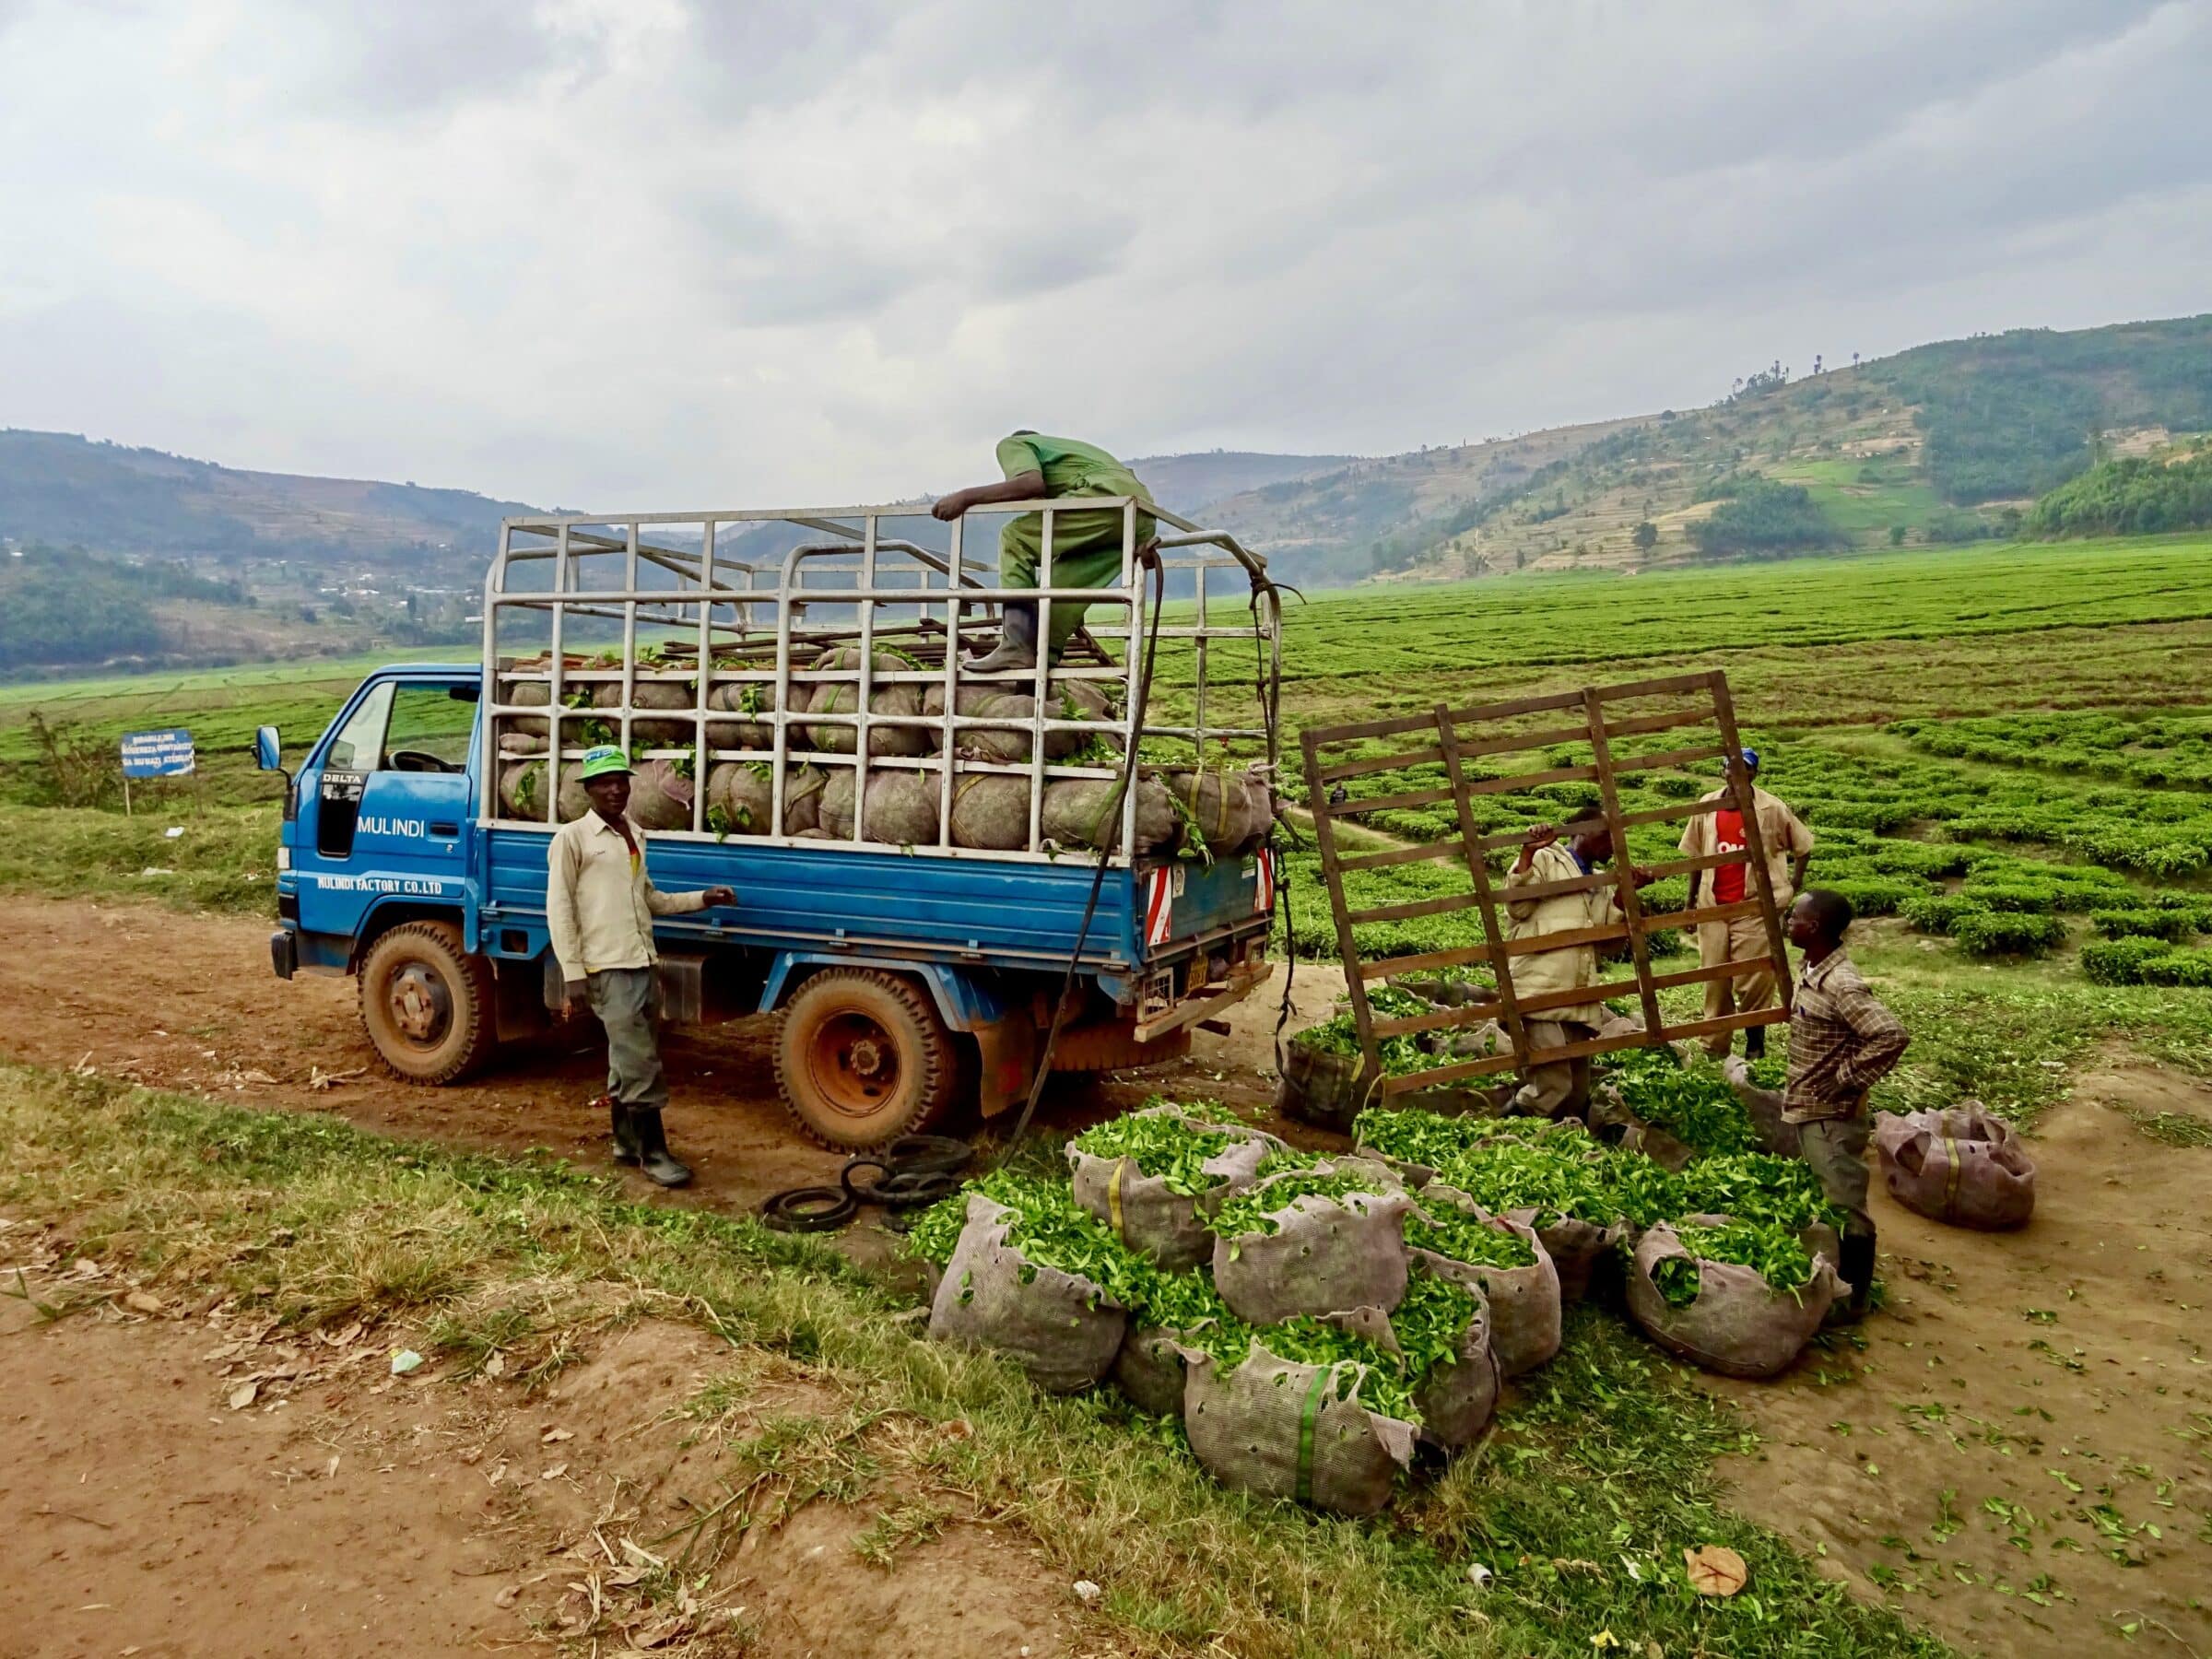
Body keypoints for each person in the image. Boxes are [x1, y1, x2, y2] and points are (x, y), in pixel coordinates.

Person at [547, 745, 735, 1188]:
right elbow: (559, 909)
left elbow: (648, 898)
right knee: (640, 1061)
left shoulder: (632, 833)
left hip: (641, 960)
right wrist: (572, 972)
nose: (615, 790)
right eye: (605, 783)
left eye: (622, 781)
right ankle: (654, 1155)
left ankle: (626, 1142)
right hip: (606, 966)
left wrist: (701, 900)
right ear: (588, 789)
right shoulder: (572, 839)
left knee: (628, 1056)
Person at [1727, 888, 1908, 1324]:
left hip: (1831, 1116)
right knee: (1827, 1198)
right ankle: (1831, 1278)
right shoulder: (1812, 970)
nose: (1789, 923)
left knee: (1846, 1205)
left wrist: (1844, 1080)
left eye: (1796, 918)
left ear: (1817, 927)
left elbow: (1890, 1035)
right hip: (1810, 1109)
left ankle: (1854, 1298)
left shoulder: (1840, 982)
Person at [932, 430, 1158, 673]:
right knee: (1061, 585)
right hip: (1140, 517)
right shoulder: (1072, 453)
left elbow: (1030, 483)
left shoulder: (1016, 443)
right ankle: (1042, 662)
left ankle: (1016, 646)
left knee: (1015, 537)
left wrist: (966, 497)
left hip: (1104, 498)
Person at [1502, 816, 1656, 1118]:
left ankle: (1554, 1143)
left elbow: (1608, 944)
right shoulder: (1547, 859)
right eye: (1607, 836)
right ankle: (1503, 1132)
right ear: (1583, 832)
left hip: (1577, 993)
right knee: (1552, 1085)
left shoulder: (1599, 883)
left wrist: (1625, 895)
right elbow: (1517, 906)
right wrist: (1527, 854)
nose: (1614, 846)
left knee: (1576, 1090)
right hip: (1539, 987)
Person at [1679, 747, 1814, 1059]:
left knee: (1754, 980)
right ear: (1722, 770)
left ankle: (1755, 1045)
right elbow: (1697, 857)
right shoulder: (1707, 806)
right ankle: (1714, 1047)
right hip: (1714, 906)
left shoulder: (1772, 808)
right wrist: (1690, 904)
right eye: (1732, 768)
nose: (1738, 775)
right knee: (1714, 978)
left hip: (1754, 908)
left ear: (1755, 773)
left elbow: (1802, 847)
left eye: (1746, 769)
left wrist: (1793, 885)